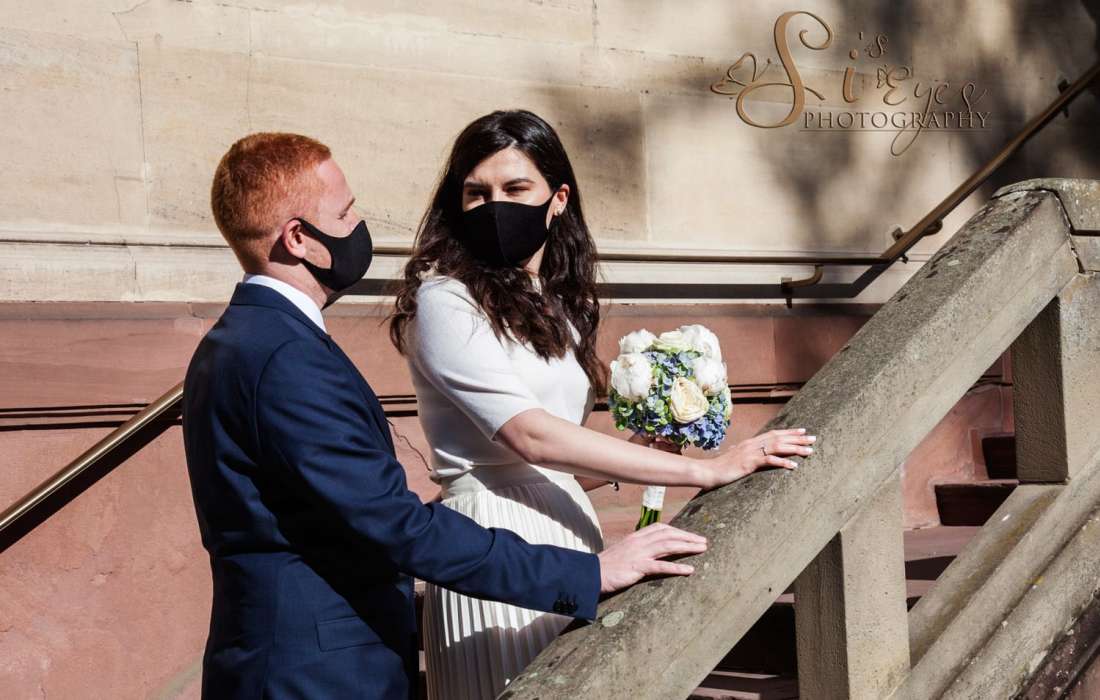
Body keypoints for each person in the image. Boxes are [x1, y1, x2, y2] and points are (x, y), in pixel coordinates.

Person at [181, 132, 710, 699]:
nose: (360, 224)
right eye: (346, 212)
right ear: (298, 239)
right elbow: (396, 525)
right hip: (310, 673)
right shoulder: (285, 356)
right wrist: (588, 573)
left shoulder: (249, 340)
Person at [387, 110, 816, 700]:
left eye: (515, 188)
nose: (494, 205)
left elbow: (547, 466)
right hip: (495, 545)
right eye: (477, 193)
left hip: (568, 529)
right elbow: (529, 437)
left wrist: (642, 450)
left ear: (557, 199)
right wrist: (709, 470)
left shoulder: (556, 305)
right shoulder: (445, 299)